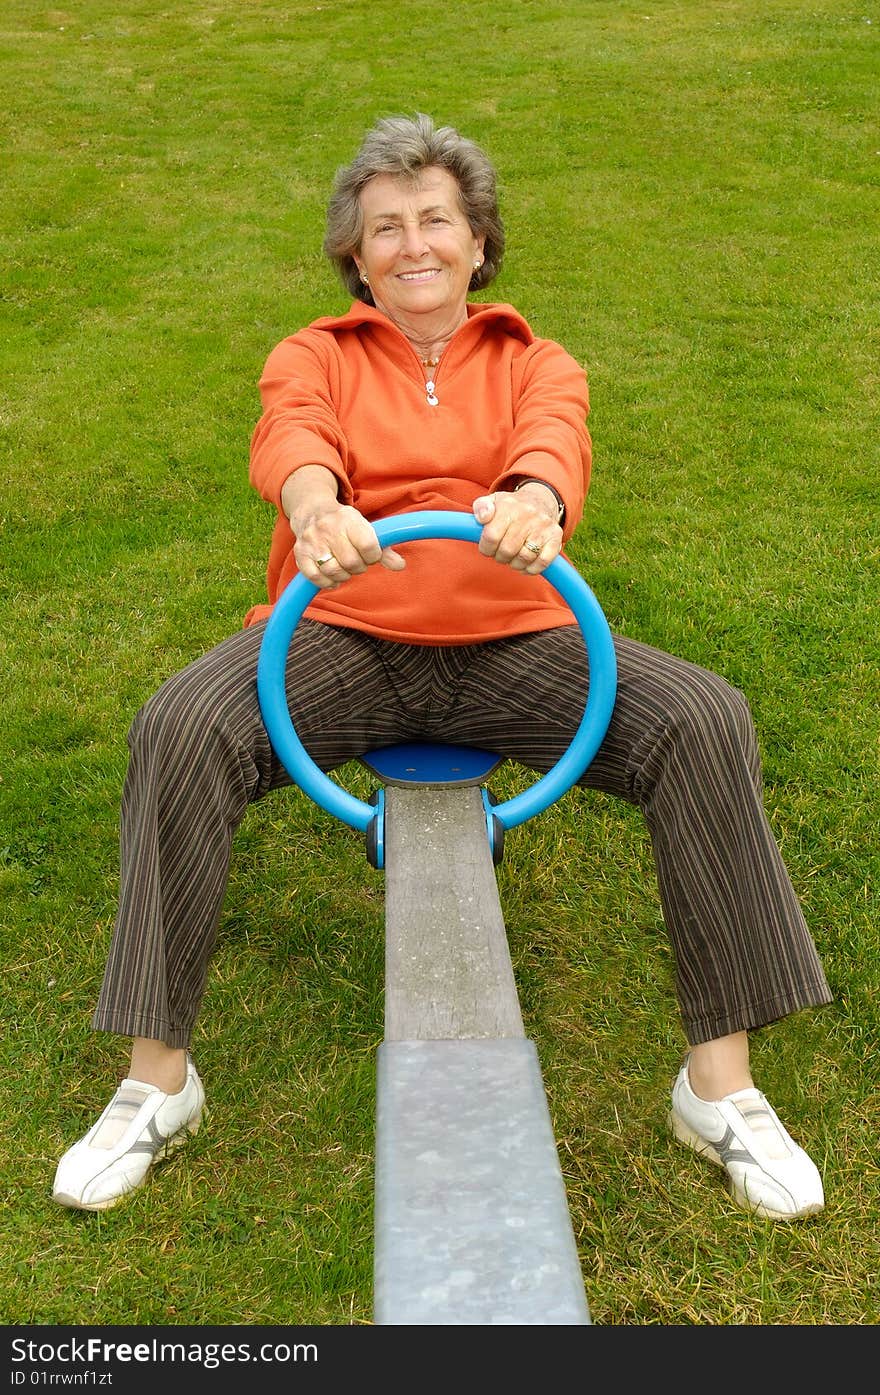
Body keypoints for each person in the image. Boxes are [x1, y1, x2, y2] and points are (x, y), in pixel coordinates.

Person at [53, 113, 832, 1221]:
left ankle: (721, 1089)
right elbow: (293, 437)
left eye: (435, 221)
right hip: (337, 640)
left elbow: (554, 444)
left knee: (703, 718)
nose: (411, 244)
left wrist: (533, 501)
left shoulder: (535, 360)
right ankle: (153, 1082)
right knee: (179, 724)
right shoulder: (313, 353)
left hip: (515, 644)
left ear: (477, 244)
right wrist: (317, 507)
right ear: (356, 256)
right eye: (385, 228)